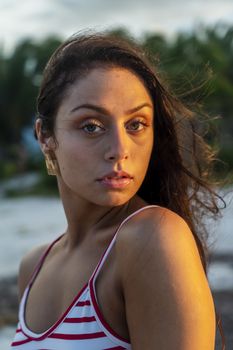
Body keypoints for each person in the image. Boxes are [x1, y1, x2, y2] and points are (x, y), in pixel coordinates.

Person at [11, 31, 225, 349]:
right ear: (45, 137)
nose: (119, 149)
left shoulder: (153, 238)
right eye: (92, 126)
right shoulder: (34, 265)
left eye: (136, 124)